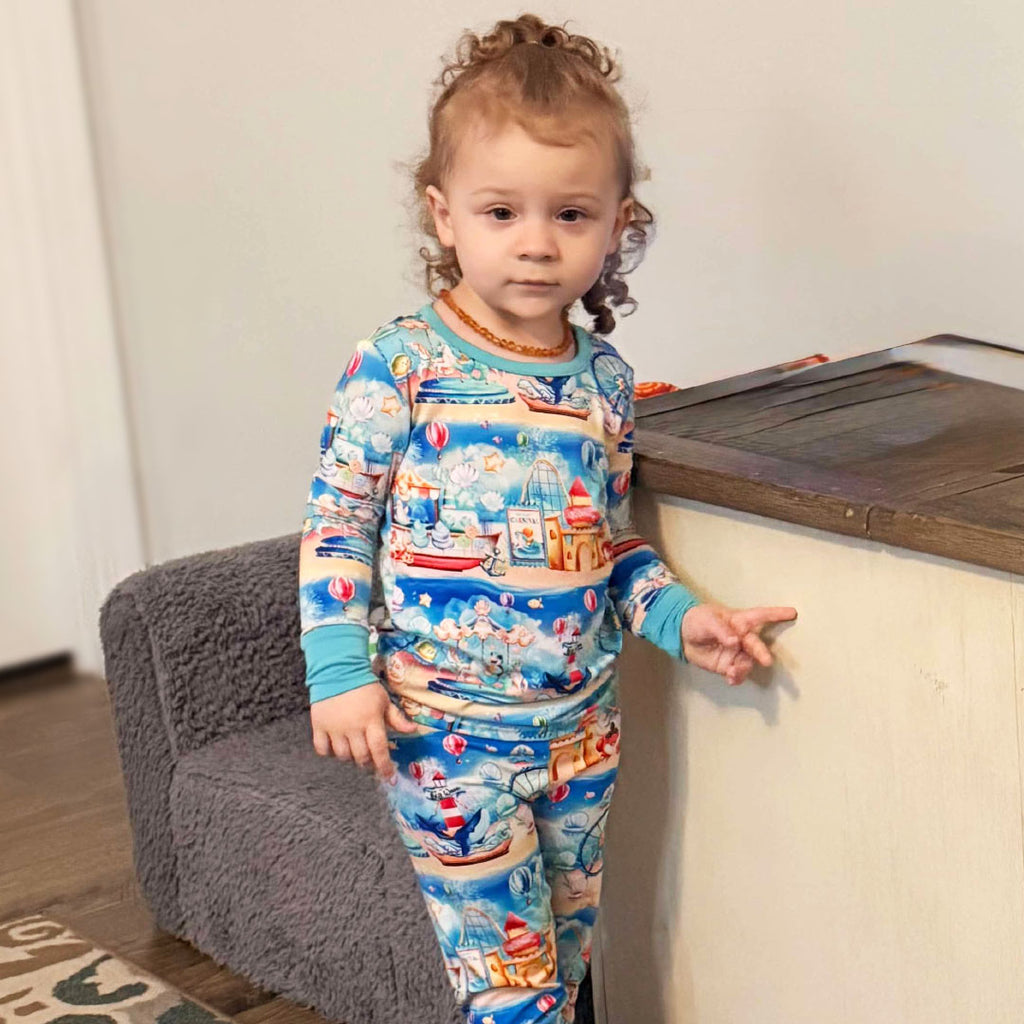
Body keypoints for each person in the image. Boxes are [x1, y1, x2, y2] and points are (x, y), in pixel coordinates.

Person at [297, 14, 797, 1023]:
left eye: (570, 214)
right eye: (500, 212)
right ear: (444, 217)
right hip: (444, 741)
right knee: (511, 992)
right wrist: (339, 671)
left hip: (581, 738)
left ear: (618, 226)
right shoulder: (399, 365)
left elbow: (605, 543)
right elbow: (338, 525)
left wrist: (681, 619)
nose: (535, 243)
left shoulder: (603, 381)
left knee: (561, 969)